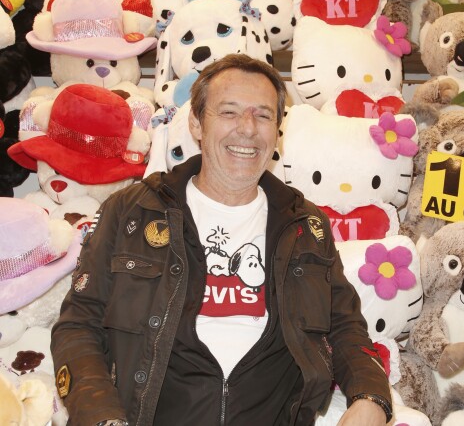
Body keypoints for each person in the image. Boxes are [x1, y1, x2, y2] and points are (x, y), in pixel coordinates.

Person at [51, 54, 392, 426]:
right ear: (196, 123)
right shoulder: (133, 210)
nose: (247, 129)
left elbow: (345, 326)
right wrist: (100, 416)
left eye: (263, 115)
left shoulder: (305, 225)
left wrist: (372, 397)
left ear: (277, 130)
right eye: (229, 112)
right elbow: (78, 325)